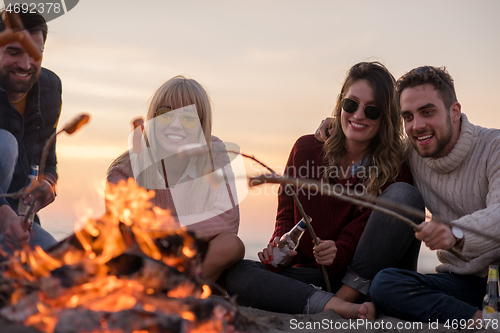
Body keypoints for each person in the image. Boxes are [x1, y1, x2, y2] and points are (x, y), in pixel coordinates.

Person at [224, 62, 424, 319]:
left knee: (405, 196)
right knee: (237, 272)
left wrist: (339, 250)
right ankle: (332, 304)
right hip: (312, 275)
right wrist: (280, 248)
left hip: (367, 277)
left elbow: (367, 232)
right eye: (351, 104)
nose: (358, 115)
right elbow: (286, 212)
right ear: (341, 104)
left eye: (372, 110)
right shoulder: (305, 149)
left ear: (386, 117)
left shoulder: (395, 168)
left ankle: (341, 300)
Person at [315, 66, 500, 322]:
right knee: (384, 285)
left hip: (497, 278)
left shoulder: (494, 148)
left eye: (427, 112)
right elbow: (376, 140)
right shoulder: (412, 153)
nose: (417, 126)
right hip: (462, 284)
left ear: (455, 111)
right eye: (408, 117)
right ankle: (482, 321)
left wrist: (455, 233)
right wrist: (339, 123)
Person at [107, 75, 244, 284]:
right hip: (147, 256)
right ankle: (177, 289)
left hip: (192, 256)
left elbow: (228, 219)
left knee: (231, 245)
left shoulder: (214, 152)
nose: (176, 125)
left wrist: (171, 230)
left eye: (188, 119)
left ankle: (178, 288)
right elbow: (126, 232)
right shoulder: (125, 171)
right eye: (165, 115)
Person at [0, 11, 60, 252]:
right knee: (5, 143)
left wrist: (47, 187)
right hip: (7, 221)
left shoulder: (50, 88)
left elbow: (48, 163)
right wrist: (5, 220)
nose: (26, 65)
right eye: (13, 52)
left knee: (57, 264)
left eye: (35, 54)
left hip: (19, 224)